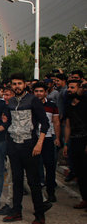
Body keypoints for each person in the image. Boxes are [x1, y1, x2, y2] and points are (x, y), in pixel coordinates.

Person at [2, 73, 51, 224]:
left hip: (29, 145)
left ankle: (39, 215)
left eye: (19, 83)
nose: (17, 86)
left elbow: (45, 123)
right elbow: (9, 123)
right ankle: (16, 211)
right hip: (14, 145)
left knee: (33, 181)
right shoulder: (10, 102)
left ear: (25, 85)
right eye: (14, 84)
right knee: (16, 180)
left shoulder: (33, 100)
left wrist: (39, 143)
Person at [32, 82, 61, 202]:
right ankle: (38, 192)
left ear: (45, 92)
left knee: (50, 167)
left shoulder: (52, 106)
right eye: (36, 91)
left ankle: (51, 192)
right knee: (35, 168)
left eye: (41, 91)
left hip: (48, 139)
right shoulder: (29, 105)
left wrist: (57, 138)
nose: (38, 93)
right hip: (34, 139)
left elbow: (56, 122)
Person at [63, 79, 87, 210]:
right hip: (74, 141)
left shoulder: (85, 104)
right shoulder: (68, 105)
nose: (69, 90)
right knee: (80, 172)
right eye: (69, 87)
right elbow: (67, 126)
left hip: (85, 140)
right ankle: (84, 198)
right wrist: (66, 144)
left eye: (73, 87)